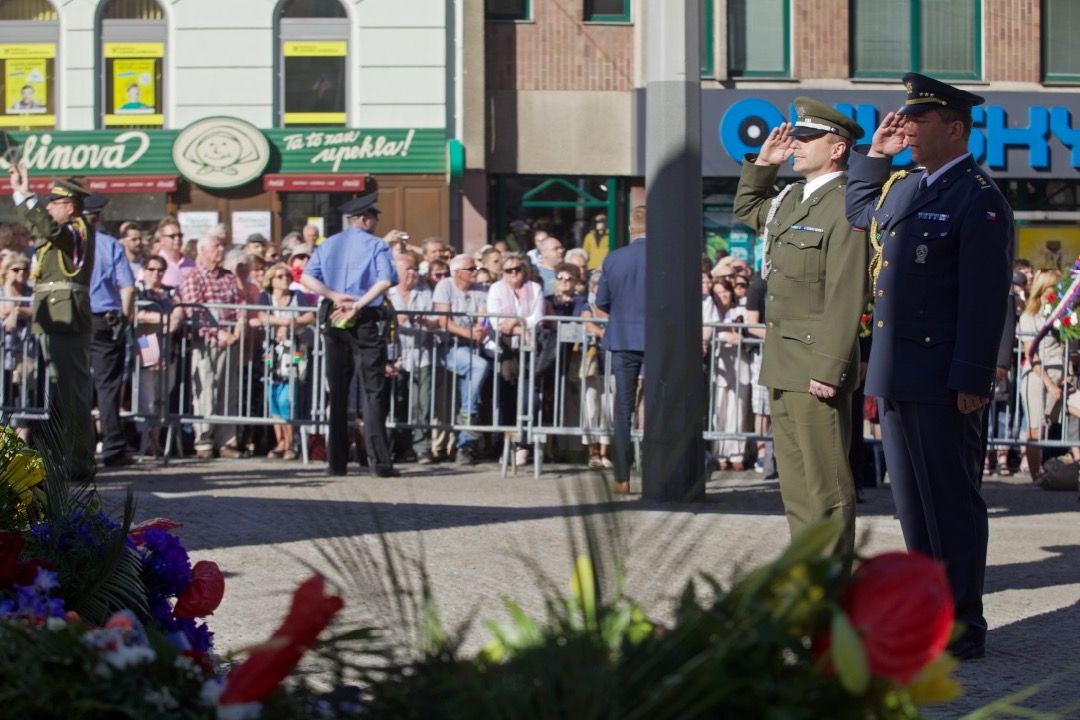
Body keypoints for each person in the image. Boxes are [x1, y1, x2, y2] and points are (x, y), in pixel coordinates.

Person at [845, 73, 1013, 660]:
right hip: (898, 373)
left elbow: (985, 296)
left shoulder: (978, 197)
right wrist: (874, 155)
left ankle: (963, 621)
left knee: (950, 503)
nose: (908, 128)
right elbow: (858, 211)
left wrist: (972, 376)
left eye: (920, 120)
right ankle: (929, 615)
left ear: (955, 129)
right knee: (913, 506)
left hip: (943, 379)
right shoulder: (906, 185)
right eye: (906, 119)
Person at [733, 97, 868, 564]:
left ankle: (832, 591)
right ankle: (806, 579)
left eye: (808, 139)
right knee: (795, 486)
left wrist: (831, 366)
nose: (796, 146)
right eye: (798, 138)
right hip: (784, 360)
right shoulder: (791, 197)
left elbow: (847, 292)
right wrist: (763, 165)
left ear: (838, 148)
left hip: (816, 364)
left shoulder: (847, 203)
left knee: (826, 485)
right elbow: (748, 209)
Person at [7, 165, 97, 479]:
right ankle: (65, 454)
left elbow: (49, 229)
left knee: (73, 394)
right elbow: (42, 227)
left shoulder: (76, 229)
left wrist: (24, 195)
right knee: (60, 394)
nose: (49, 207)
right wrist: (23, 193)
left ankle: (80, 461)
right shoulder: (66, 230)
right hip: (53, 320)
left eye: (54, 203)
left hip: (66, 321)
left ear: (69, 205)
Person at [301, 193, 400, 477]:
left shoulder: (328, 244)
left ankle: (337, 463)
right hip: (364, 317)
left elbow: (307, 278)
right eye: (375, 218)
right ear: (364, 219)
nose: (377, 223)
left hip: (334, 316)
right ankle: (379, 463)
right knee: (373, 390)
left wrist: (334, 296)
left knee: (339, 392)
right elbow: (384, 281)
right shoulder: (377, 245)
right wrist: (357, 304)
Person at [179, 234, 245, 459]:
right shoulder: (193, 276)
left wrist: (237, 329)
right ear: (203, 250)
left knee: (229, 391)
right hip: (205, 342)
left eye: (222, 246)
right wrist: (218, 333)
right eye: (216, 246)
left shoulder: (228, 276)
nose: (221, 249)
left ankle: (226, 440)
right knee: (205, 390)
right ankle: (204, 440)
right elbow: (194, 310)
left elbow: (239, 304)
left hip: (230, 341)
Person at [596, 205, 646, 494]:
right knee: (658, 408)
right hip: (658, 339)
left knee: (622, 410)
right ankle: (657, 471)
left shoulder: (614, 259)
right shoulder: (665, 257)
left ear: (630, 229)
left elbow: (601, 302)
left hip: (623, 339)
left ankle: (622, 477)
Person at [85, 194, 137, 467]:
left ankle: (78, 449)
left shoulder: (72, 244)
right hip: (104, 320)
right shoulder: (109, 245)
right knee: (107, 387)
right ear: (100, 216)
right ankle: (113, 449)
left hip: (77, 319)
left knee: (76, 384)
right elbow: (127, 287)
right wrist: (125, 318)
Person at [432, 254, 491, 465]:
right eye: (471, 268)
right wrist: (469, 333)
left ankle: (464, 446)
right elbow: (443, 321)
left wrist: (480, 329)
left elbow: (483, 316)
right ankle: (468, 416)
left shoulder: (480, 291)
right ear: (457, 273)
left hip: (471, 347)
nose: (475, 271)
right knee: (480, 366)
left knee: (471, 386)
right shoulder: (445, 287)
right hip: (448, 346)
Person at [487, 252, 544, 466]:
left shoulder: (535, 289)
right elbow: (495, 322)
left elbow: (537, 318)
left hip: (531, 351)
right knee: (508, 400)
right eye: (508, 270)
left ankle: (524, 445)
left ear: (524, 270)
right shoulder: (496, 289)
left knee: (531, 399)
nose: (513, 274)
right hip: (506, 352)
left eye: (517, 269)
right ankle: (508, 446)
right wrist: (520, 326)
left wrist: (514, 324)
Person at [259, 262, 315, 461]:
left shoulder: (297, 296)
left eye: (287, 276)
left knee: (288, 395)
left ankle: (290, 442)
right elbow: (261, 315)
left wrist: (290, 325)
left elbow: (309, 315)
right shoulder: (265, 297)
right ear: (271, 279)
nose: (285, 279)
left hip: (296, 351)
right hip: (270, 352)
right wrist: (284, 323)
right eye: (280, 276)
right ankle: (280, 440)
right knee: (272, 394)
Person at [388, 252, 438, 464]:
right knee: (397, 403)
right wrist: (395, 319)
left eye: (415, 268)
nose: (413, 273)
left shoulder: (424, 292)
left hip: (421, 354)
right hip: (396, 355)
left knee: (422, 403)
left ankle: (422, 448)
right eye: (408, 269)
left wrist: (426, 321)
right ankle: (400, 448)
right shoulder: (387, 293)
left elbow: (436, 321)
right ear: (396, 270)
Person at [134, 255, 183, 457]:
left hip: (168, 346)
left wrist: (175, 319)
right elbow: (137, 313)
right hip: (147, 343)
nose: (156, 274)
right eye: (151, 269)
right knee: (148, 398)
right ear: (144, 270)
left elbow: (180, 311)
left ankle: (157, 441)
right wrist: (163, 318)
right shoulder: (139, 290)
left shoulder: (169, 293)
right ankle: (147, 442)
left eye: (160, 270)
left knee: (163, 396)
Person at [1017, 269, 1063, 481]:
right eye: (1056, 285)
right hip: (1036, 377)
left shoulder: (1062, 315)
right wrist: (1049, 384)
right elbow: (1031, 354)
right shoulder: (1029, 316)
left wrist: (1067, 376)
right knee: (1036, 428)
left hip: (1060, 376)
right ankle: (1036, 478)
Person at [0, 253, 35, 440]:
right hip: (3, 357)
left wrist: (16, 310)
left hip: (25, 356)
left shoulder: (31, 292)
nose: (21, 273)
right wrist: (7, 286)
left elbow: (35, 310)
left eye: (25, 269)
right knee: (3, 406)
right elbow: (4, 312)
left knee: (23, 406)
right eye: (15, 270)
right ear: (6, 272)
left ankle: (20, 455)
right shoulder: (1, 291)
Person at [153, 217, 195, 290]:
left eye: (179, 235)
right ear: (161, 239)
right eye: (172, 236)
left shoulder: (191, 264)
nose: (177, 239)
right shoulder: (154, 265)